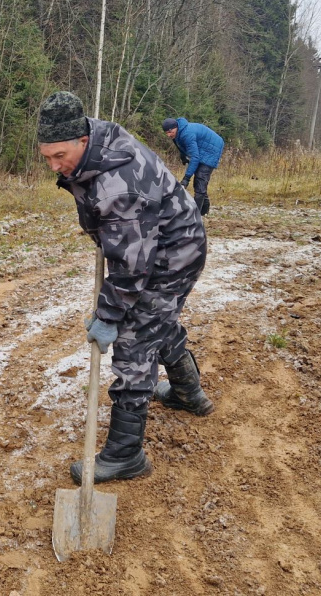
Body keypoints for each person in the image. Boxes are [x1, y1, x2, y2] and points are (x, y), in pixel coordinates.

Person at [38, 91, 212, 485]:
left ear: (82, 141)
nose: (54, 166)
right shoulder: (92, 144)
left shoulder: (119, 185)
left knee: (135, 340)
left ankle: (126, 454)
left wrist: (109, 314)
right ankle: (189, 394)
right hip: (158, 240)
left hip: (172, 253)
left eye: (59, 156)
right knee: (156, 321)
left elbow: (132, 267)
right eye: (46, 156)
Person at [161, 116, 224, 215]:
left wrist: (186, 178)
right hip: (202, 146)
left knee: (200, 179)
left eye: (170, 131)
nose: (168, 135)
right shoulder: (176, 134)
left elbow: (195, 157)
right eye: (166, 133)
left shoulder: (186, 134)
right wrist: (183, 156)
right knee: (199, 183)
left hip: (212, 149)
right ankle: (204, 211)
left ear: (176, 127)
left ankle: (196, 216)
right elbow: (181, 146)